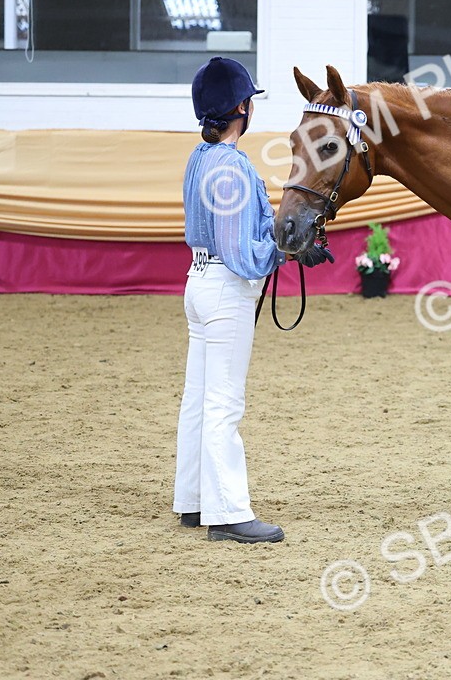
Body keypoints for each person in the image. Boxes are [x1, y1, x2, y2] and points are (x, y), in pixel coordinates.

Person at [174, 57, 332, 544]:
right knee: (224, 402)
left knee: (198, 398)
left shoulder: (200, 159)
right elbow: (243, 254)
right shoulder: (234, 166)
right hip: (225, 290)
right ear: (242, 107)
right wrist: (288, 251)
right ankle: (227, 513)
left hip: (198, 282)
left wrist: (283, 241)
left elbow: (240, 227)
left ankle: (193, 500)